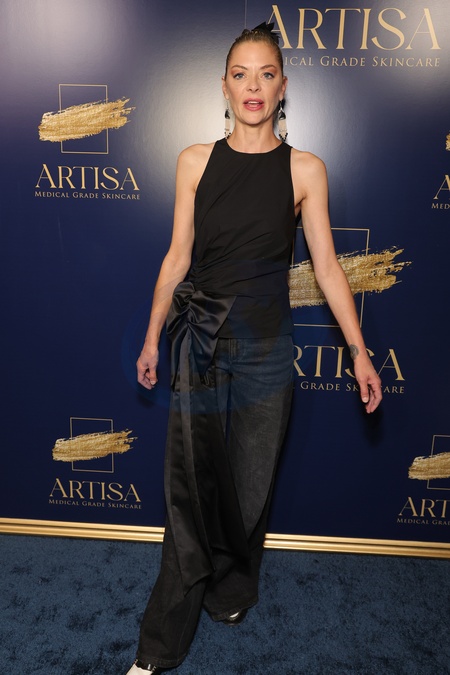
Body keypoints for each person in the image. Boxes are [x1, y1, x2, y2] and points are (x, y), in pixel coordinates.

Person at [128, 23, 382, 674]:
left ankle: (231, 590)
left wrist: (359, 350)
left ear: (283, 87)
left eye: (266, 74)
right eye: (240, 74)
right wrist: (153, 336)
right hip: (200, 344)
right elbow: (177, 257)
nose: (253, 87)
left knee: (248, 489)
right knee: (189, 494)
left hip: (268, 352)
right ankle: (159, 646)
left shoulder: (305, 169)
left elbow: (327, 268)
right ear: (224, 86)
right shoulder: (193, 161)